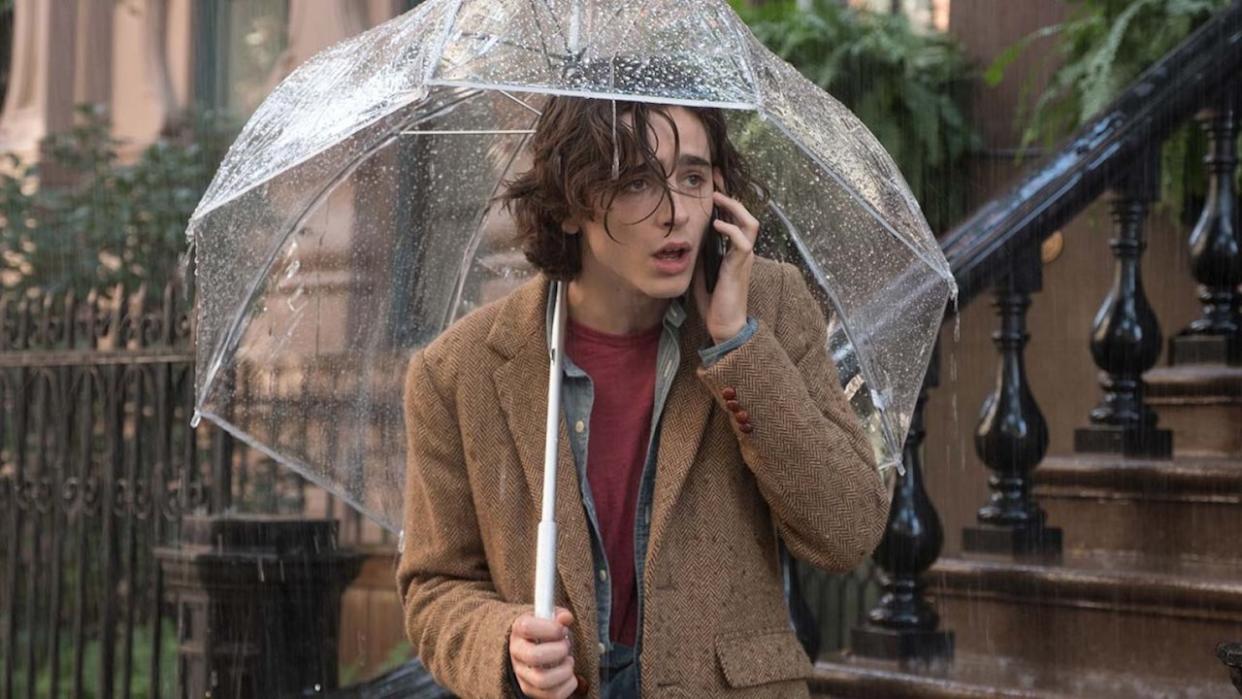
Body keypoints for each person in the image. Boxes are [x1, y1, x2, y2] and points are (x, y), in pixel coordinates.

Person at [395, 94, 890, 699]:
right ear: (570, 205)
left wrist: (737, 347)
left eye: (692, 177)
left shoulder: (771, 307)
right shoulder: (456, 371)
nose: (676, 212)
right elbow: (435, 586)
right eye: (636, 182)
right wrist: (505, 643)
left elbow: (846, 529)